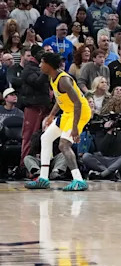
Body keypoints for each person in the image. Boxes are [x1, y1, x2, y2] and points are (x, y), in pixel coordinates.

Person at [25, 52, 92, 191]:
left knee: (64, 145)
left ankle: (79, 180)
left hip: (79, 112)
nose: (39, 65)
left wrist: (75, 128)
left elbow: (78, 103)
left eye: (42, 62)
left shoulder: (64, 80)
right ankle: (43, 178)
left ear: (49, 65)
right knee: (45, 138)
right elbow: (60, 98)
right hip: (68, 112)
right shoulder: (52, 77)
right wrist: (51, 115)